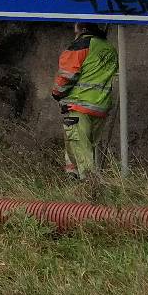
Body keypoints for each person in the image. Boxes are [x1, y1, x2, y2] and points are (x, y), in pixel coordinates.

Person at [51, 21, 119, 178]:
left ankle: (90, 190)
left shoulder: (82, 45)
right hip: (101, 107)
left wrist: (57, 93)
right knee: (85, 149)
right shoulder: (109, 47)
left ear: (80, 26)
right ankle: (75, 189)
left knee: (82, 156)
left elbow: (66, 76)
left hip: (78, 106)